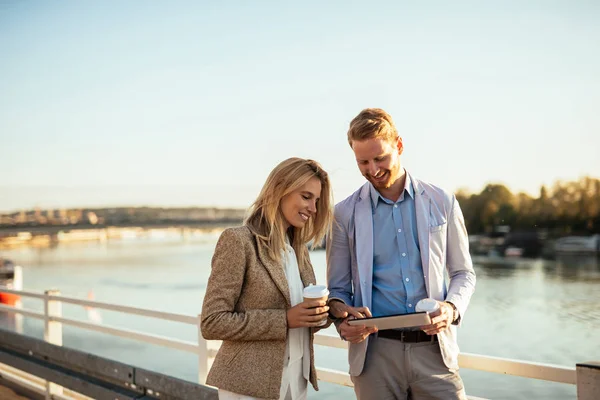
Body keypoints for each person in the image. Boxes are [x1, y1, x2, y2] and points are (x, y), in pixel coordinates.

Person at [327, 108, 476, 399]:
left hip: (435, 353)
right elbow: (338, 290)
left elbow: (463, 273)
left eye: (380, 158)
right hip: (374, 356)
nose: (372, 170)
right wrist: (341, 316)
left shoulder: (442, 201)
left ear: (399, 145)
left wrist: (451, 308)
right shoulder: (343, 214)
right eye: (363, 162)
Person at [201, 157, 333, 400]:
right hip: (248, 386)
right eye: (306, 197)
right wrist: (284, 320)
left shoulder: (298, 250)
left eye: (316, 201)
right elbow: (212, 322)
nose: (313, 209)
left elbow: (301, 314)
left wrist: (330, 312)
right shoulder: (238, 242)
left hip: (297, 380)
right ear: (280, 189)